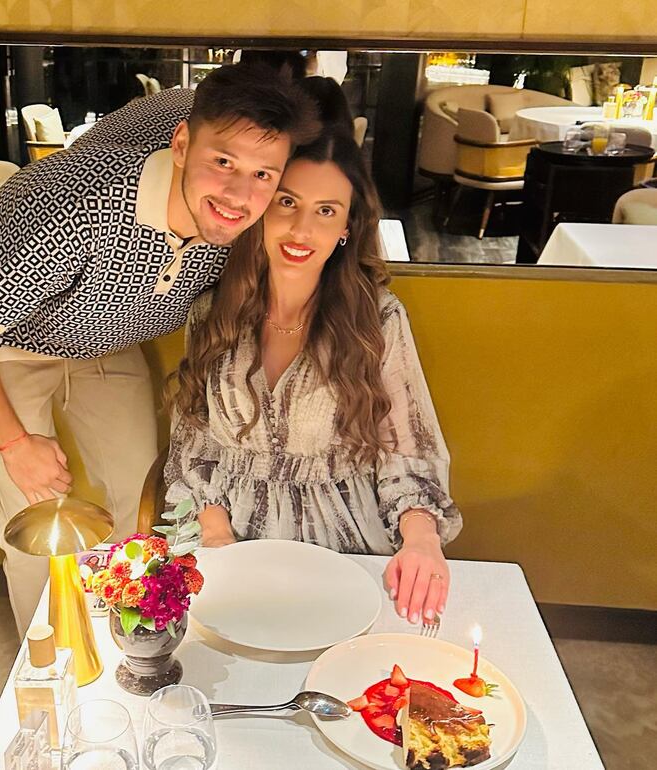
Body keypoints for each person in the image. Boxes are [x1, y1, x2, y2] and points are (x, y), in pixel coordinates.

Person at [0, 63, 320, 637]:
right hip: (2, 340)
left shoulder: (244, 212)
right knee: (33, 511)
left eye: (264, 174)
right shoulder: (70, 209)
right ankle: (52, 672)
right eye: (223, 164)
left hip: (108, 333)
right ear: (183, 144)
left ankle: (120, 642)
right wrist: (16, 443)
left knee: (141, 489)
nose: (240, 196)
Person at [165, 125, 462, 625]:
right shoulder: (211, 313)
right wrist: (216, 540)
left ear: (347, 226)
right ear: (261, 208)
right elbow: (193, 447)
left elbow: (407, 452)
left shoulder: (378, 319)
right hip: (230, 536)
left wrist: (422, 538)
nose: (302, 230)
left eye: (326, 211)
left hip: (344, 545)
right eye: (287, 203)